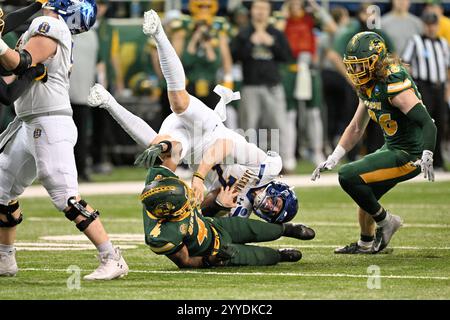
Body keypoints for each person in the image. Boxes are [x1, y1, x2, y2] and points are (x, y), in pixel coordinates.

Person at [87, 10, 313, 231]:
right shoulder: (269, 168)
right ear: (280, 190)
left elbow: (202, 217)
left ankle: (108, 102)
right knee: (178, 102)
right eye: (277, 203)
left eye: (272, 212)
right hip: (210, 130)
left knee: (163, 150)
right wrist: (198, 177)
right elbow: (224, 146)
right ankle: (158, 33)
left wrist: (216, 205)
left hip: (193, 151)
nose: (269, 206)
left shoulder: (241, 210)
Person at [0, 0, 128, 280]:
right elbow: (9, 78)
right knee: (2, 187)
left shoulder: (51, 26)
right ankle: (4, 258)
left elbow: (20, 61)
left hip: (49, 122)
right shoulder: (44, 27)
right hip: (29, 120)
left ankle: (111, 257)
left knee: (65, 195)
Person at [311, 31, 437, 254]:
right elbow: (357, 127)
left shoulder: (393, 86)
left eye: (361, 65)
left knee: (348, 175)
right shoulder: (370, 83)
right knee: (366, 194)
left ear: (376, 60)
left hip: (409, 155)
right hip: (393, 147)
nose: (355, 71)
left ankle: (387, 221)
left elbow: (428, 124)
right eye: (353, 65)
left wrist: (427, 154)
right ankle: (365, 243)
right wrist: (334, 156)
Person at [140, 174, 308, 268]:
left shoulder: (157, 185)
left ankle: (288, 229)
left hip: (216, 225)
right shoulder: (162, 237)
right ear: (170, 210)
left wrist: (164, 145)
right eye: (185, 201)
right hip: (214, 250)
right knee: (259, 257)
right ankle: (279, 255)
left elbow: (170, 151)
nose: (190, 200)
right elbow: (185, 262)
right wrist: (209, 260)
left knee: (259, 229)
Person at [230, 0, 292, 170]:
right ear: (251, 10)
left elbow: (287, 56)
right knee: (248, 126)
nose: (260, 12)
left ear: (269, 11)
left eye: (264, 8)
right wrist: (250, 43)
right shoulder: (243, 33)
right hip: (250, 85)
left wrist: (272, 43)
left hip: (273, 85)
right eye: (257, 8)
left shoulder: (276, 33)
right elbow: (233, 56)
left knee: (278, 126)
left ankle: (282, 164)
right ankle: (248, 165)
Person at [402, 11, 449, 171]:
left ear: (437, 26)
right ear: (424, 25)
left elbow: (447, 67)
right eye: (428, 25)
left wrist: (447, 87)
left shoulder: (443, 43)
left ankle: (438, 162)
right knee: (425, 123)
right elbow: (405, 63)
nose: (431, 28)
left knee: (441, 123)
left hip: (440, 86)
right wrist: (412, 87)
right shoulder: (415, 41)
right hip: (423, 86)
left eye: (433, 25)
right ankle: (421, 159)